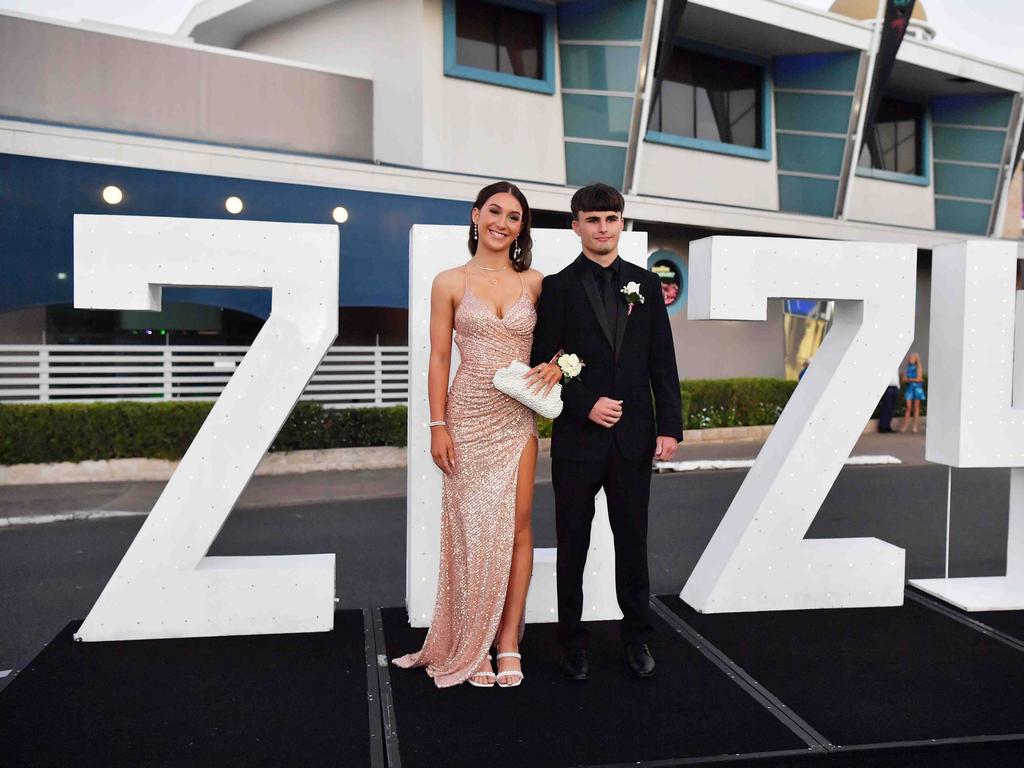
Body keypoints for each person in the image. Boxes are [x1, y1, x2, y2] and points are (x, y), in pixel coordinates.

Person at [392, 181, 560, 688]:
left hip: (516, 419)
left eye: (514, 216)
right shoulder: (448, 282)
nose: (502, 223)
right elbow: (439, 358)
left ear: (520, 228)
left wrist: (557, 367)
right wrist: (437, 424)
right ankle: (472, 641)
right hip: (465, 416)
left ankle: (507, 639)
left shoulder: (536, 283)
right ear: (475, 215)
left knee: (517, 527)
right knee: (470, 531)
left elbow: (564, 343)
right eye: (495, 211)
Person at [530, 183, 683, 680]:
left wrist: (671, 428)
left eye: (611, 219)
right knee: (572, 544)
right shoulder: (557, 287)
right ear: (576, 226)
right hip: (578, 441)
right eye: (592, 219)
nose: (602, 227)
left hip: (635, 439)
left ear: (622, 224)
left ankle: (636, 637)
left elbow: (663, 362)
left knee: (632, 543)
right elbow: (540, 364)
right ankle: (572, 642)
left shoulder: (645, 284)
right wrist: (582, 405)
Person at [900, 352, 925, 433]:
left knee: (916, 408)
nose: (910, 359)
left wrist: (909, 379)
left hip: (917, 389)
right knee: (908, 407)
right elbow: (903, 379)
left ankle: (915, 426)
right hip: (909, 389)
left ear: (916, 359)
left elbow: (919, 379)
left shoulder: (919, 367)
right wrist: (912, 379)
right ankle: (905, 426)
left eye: (912, 358)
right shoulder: (907, 368)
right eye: (909, 357)